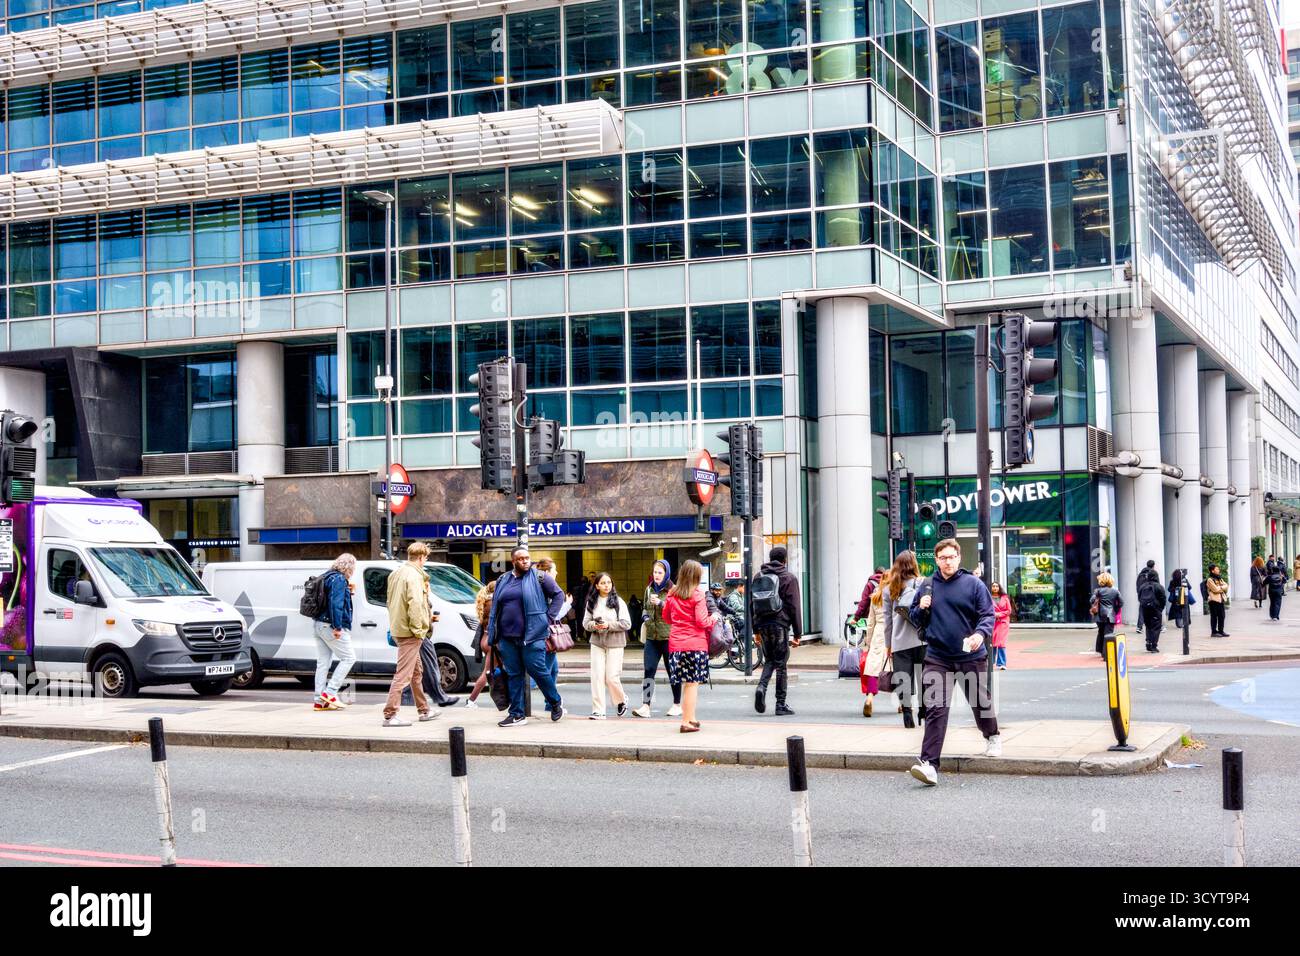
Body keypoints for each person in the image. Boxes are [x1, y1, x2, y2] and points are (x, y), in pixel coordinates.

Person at [906, 538, 1000, 786]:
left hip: (971, 654)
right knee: (936, 709)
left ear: (959, 558)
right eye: (942, 557)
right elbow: (914, 619)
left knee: (980, 701)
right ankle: (929, 765)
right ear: (936, 560)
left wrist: (980, 634)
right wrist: (921, 607)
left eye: (951, 557)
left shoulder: (974, 584)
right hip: (938, 656)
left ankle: (992, 735)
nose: (947, 561)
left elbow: (987, 615)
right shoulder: (927, 586)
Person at [488, 545, 568, 727]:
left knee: (538, 670)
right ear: (513, 561)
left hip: (532, 635)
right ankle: (517, 714)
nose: (525, 561)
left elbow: (558, 595)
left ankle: (555, 702)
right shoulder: (503, 579)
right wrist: (494, 634)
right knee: (514, 674)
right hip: (507, 637)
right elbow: (495, 607)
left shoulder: (540, 577)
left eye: (527, 558)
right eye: (521, 558)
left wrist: (546, 618)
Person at [382, 541, 438, 727]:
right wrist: (419, 629)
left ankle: (424, 710)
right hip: (410, 631)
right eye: (426, 558)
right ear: (422, 557)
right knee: (404, 674)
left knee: (416, 672)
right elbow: (415, 604)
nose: (425, 562)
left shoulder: (396, 573)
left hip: (399, 627)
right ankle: (390, 714)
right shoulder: (414, 577)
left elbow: (391, 601)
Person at [662, 559, 716, 733]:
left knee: (687, 683)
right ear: (697, 575)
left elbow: (667, 618)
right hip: (695, 645)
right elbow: (702, 622)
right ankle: (686, 721)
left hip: (676, 645)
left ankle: (691, 717)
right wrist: (713, 619)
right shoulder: (698, 594)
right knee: (692, 683)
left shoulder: (672, 593)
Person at [753, 545, 803, 717]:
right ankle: (780, 704)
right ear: (784, 560)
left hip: (762, 624)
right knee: (781, 664)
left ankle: (761, 687)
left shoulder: (758, 576)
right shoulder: (788, 578)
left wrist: (755, 631)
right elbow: (794, 606)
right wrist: (797, 634)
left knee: (769, 660)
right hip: (780, 624)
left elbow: (752, 605)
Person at [633, 560, 681, 718]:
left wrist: (661, 603)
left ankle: (676, 704)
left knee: (672, 671)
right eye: (655, 572)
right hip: (652, 637)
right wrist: (645, 617)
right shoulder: (649, 589)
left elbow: (677, 611)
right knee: (649, 670)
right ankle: (645, 706)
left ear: (666, 573)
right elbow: (645, 608)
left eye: (660, 573)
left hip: (668, 637)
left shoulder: (674, 590)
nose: (657, 575)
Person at [881, 550, 924, 728]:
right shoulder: (922, 583)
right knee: (925, 677)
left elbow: (887, 621)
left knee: (903, 678)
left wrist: (888, 645)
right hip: (922, 639)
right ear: (914, 565)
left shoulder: (889, 589)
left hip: (899, 641)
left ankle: (907, 713)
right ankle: (924, 709)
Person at [311, 553, 358, 711]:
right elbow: (335, 604)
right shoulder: (338, 579)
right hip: (330, 625)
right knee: (349, 658)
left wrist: (348, 592)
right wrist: (337, 627)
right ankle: (330, 693)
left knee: (323, 663)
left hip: (318, 624)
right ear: (350, 567)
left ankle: (319, 700)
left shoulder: (326, 576)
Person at [584, 572, 631, 719]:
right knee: (597, 676)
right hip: (597, 642)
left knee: (611, 677)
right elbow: (585, 623)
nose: (606, 585)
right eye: (603, 583)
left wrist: (608, 625)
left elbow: (626, 623)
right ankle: (598, 710)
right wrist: (595, 626)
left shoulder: (618, 602)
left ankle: (621, 699)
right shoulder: (591, 602)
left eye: (609, 582)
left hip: (615, 643)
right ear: (597, 586)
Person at [534, 558, 566, 712]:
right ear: (546, 573)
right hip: (545, 635)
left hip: (546, 634)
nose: (557, 573)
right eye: (554, 570)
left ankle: (550, 703)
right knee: (545, 671)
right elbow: (554, 610)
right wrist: (549, 619)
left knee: (553, 670)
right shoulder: (544, 588)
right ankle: (552, 703)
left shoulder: (541, 587)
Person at [464, 579, 497, 708]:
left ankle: (509, 700)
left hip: (485, 638)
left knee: (498, 670)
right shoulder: (493, 603)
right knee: (487, 672)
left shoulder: (485, 602)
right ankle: (471, 700)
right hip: (491, 641)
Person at [858, 583, 888, 718]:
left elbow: (870, 622)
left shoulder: (876, 597)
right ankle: (901, 703)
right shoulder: (895, 596)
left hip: (878, 632)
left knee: (873, 668)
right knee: (894, 668)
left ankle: (870, 697)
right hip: (891, 633)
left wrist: (869, 642)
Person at [1090, 571, 1123, 657]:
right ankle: (1106, 653)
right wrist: (1115, 609)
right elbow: (1121, 603)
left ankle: (1100, 650)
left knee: (1101, 632)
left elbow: (1091, 601)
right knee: (1108, 634)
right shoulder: (1115, 591)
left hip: (1099, 616)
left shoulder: (1097, 591)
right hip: (1110, 615)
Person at [1137, 563, 1166, 653]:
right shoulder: (1159, 586)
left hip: (1145, 608)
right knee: (1156, 627)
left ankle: (1148, 642)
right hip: (1155, 609)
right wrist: (1160, 608)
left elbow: (1139, 597)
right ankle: (1154, 645)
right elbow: (1163, 598)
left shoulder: (1143, 586)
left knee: (1148, 626)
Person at [990, 581, 1011, 670]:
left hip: (1003, 623)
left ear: (999, 588)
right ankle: (991, 662)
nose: (995, 588)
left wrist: (999, 614)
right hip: (992, 623)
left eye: (996, 586)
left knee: (1001, 643)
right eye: (993, 586)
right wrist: (994, 614)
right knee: (993, 643)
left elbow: (1009, 610)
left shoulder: (1005, 598)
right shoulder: (988, 597)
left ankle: (1002, 663)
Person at [1135, 560, 1160, 636]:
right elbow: (1157, 584)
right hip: (1152, 596)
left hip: (1143, 595)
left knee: (1141, 610)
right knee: (1156, 611)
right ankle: (1158, 626)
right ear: (1153, 565)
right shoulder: (1153, 573)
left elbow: (1137, 585)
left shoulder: (1141, 574)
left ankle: (1139, 627)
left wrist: (1139, 596)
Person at [1205, 565, 1229, 637]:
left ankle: (1221, 631)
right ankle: (1214, 632)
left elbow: (1226, 585)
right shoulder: (1210, 580)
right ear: (1212, 570)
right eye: (1217, 569)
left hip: (1221, 600)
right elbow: (1215, 590)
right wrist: (1222, 587)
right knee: (1214, 617)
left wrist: (1220, 587)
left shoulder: (1219, 578)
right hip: (1213, 600)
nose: (1218, 570)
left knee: (1222, 616)